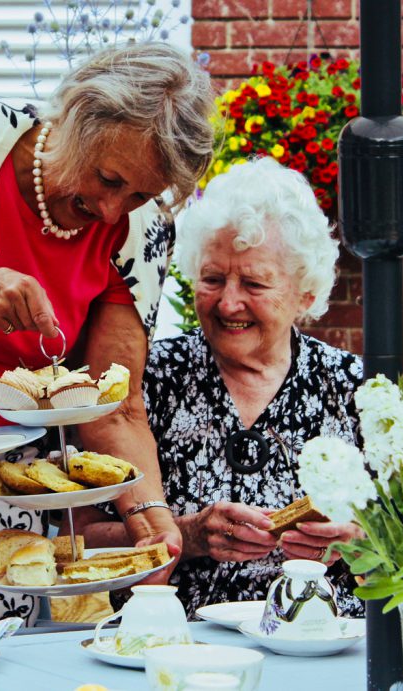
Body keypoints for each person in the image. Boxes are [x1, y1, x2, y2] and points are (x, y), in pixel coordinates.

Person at [0, 42, 216, 630]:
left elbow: (114, 403)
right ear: (77, 115)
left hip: (12, 496)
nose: (111, 211)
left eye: (138, 195)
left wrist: (148, 514)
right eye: (108, 179)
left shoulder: (141, 228)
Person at [75, 157, 365, 616]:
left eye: (254, 282)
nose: (229, 302)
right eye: (212, 279)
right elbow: (80, 536)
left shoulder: (351, 386)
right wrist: (186, 535)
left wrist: (357, 542)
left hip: (317, 643)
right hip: (176, 643)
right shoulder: (149, 378)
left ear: (305, 294)